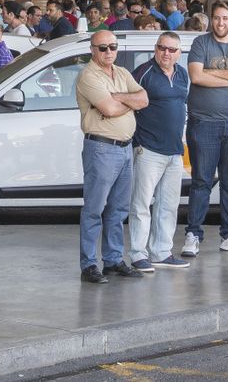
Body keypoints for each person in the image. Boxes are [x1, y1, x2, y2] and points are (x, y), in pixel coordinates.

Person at [182, 0, 228, 258]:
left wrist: (215, 74)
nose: (220, 23)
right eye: (216, 18)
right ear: (210, 20)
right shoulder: (201, 43)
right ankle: (193, 234)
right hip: (204, 124)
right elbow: (197, 77)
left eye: (225, 18)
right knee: (201, 181)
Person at [75, 29, 148, 283]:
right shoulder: (88, 76)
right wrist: (126, 102)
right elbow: (107, 107)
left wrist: (120, 98)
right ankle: (88, 264)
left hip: (126, 148)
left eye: (113, 47)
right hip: (102, 149)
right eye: (103, 48)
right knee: (95, 209)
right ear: (92, 50)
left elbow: (144, 98)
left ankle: (113, 260)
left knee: (118, 209)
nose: (109, 52)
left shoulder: (122, 73)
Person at [125, 31, 191, 272]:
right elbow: (128, 103)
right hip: (148, 149)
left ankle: (161, 252)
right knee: (141, 204)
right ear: (155, 49)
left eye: (171, 49)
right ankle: (137, 254)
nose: (166, 53)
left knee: (168, 205)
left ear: (179, 53)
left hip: (174, 151)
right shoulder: (144, 73)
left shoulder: (183, 74)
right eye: (162, 48)